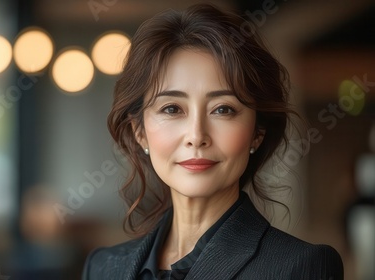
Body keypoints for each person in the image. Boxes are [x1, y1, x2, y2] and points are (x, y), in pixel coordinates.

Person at [83, 3, 343, 280]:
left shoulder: (301, 266)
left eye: (223, 109)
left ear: (258, 131)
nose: (196, 136)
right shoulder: (102, 268)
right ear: (139, 131)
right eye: (172, 109)